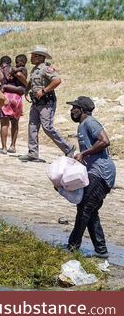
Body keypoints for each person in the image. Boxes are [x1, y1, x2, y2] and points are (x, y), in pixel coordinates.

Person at [65, 96, 116, 258]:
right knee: (91, 211)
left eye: (74, 107)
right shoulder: (82, 125)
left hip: (101, 173)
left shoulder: (90, 122)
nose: (71, 111)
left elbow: (105, 141)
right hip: (93, 172)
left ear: (82, 110)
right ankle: (101, 251)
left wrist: (84, 153)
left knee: (84, 208)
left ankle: (72, 246)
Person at [19, 46, 75, 162]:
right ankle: (33, 153)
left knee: (47, 127)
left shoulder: (46, 69)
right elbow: (32, 81)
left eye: (34, 56)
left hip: (47, 102)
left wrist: (44, 90)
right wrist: (27, 89)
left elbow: (57, 80)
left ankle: (68, 148)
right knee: (32, 126)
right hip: (36, 102)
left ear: (41, 57)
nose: (32, 58)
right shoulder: (35, 69)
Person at [0, 54, 28, 154]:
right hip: (17, 98)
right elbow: (21, 80)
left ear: (1, 63)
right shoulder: (16, 70)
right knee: (15, 123)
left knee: (4, 124)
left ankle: (4, 148)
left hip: (4, 97)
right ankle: (13, 146)